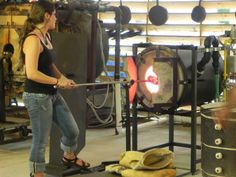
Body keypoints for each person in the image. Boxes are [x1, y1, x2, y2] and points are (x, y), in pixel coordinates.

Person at [20, 1, 90, 177]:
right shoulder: (33, 40)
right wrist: (57, 82)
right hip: (37, 96)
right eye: (55, 14)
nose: (56, 18)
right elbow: (32, 73)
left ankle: (68, 156)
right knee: (41, 141)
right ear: (46, 16)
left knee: (72, 130)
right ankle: (37, 173)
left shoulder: (46, 37)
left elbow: (50, 65)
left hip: (51, 93)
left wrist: (63, 78)